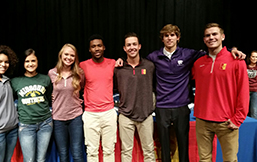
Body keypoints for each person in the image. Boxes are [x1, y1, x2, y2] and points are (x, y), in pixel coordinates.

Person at [116, 24, 245, 162]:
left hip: (181, 107)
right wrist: (120, 61)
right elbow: (136, 62)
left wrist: (232, 50)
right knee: (164, 147)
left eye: (172, 35)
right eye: (166, 35)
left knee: (183, 146)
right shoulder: (154, 57)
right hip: (162, 107)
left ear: (178, 37)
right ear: (162, 39)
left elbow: (213, 52)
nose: (169, 38)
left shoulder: (189, 54)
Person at [192, 23, 249, 161]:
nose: (211, 37)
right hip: (202, 120)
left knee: (230, 160)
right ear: (204, 39)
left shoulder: (237, 61)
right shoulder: (198, 63)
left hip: (227, 121)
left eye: (214, 34)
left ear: (222, 36)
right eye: (207, 35)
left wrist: (238, 118)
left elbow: (243, 92)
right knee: (204, 159)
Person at [114, 32, 155, 162]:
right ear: (124, 48)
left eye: (134, 44)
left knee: (148, 150)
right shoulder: (118, 69)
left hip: (145, 115)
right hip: (125, 115)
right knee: (126, 152)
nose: (132, 47)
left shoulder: (149, 66)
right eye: (129, 45)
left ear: (139, 46)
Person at [80, 34, 117, 162]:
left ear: (104, 47)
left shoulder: (113, 63)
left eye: (99, 46)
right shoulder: (82, 66)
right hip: (91, 114)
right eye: (93, 46)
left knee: (109, 150)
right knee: (91, 151)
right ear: (89, 49)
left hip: (109, 113)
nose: (96, 49)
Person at [11, 49, 53, 162]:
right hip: (26, 125)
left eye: (33, 60)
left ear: (38, 61)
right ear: (23, 63)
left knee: (41, 159)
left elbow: (49, 98)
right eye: (27, 61)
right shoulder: (15, 82)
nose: (30, 64)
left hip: (45, 124)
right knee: (29, 160)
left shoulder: (45, 79)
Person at [48, 44, 85, 162]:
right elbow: (48, 91)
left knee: (77, 152)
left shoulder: (79, 73)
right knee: (63, 154)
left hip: (75, 117)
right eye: (66, 54)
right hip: (58, 118)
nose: (69, 57)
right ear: (61, 55)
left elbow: (83, 88)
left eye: (72, 55)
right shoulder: (52, 73)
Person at [247, 50, 257, 119]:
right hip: (245, 91)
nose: (254, 58)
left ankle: (254, 129)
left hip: (255, 91)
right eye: (253, 56)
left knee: (254, 111)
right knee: (244, 110)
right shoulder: (245, 66)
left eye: (256, 57)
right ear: (250, 57)